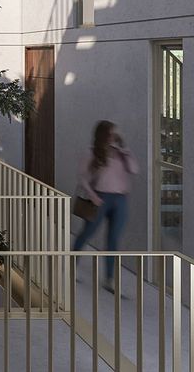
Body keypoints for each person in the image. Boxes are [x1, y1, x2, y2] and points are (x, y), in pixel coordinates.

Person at [72, 120, 139, 291]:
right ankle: (72, 265)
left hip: (120, 200)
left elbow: (134, 169)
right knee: (87, 232)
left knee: (113, 239)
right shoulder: (92, 152)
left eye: (116, 134)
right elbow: (82, 178)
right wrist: (92, 196)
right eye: (111, 134)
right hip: (100, 198)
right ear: (103, 134)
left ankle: (109, 279)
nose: (114, 137)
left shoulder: (121, 153)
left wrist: (125, 148)